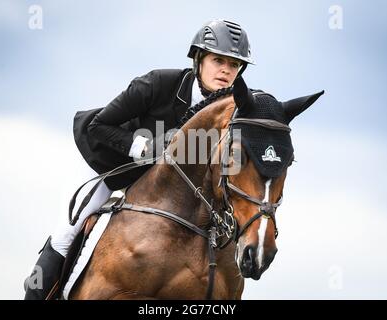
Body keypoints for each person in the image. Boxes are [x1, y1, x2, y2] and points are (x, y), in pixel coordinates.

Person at [24, 19, 254, 300]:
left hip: (169, 190)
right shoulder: (158, 83)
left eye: (234, 65)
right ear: (199, 59)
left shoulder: (232, 108)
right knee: (67, 230)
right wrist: (147, 148)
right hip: (113, 167)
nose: (226, 71)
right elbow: (99, 125)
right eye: (219, 60)